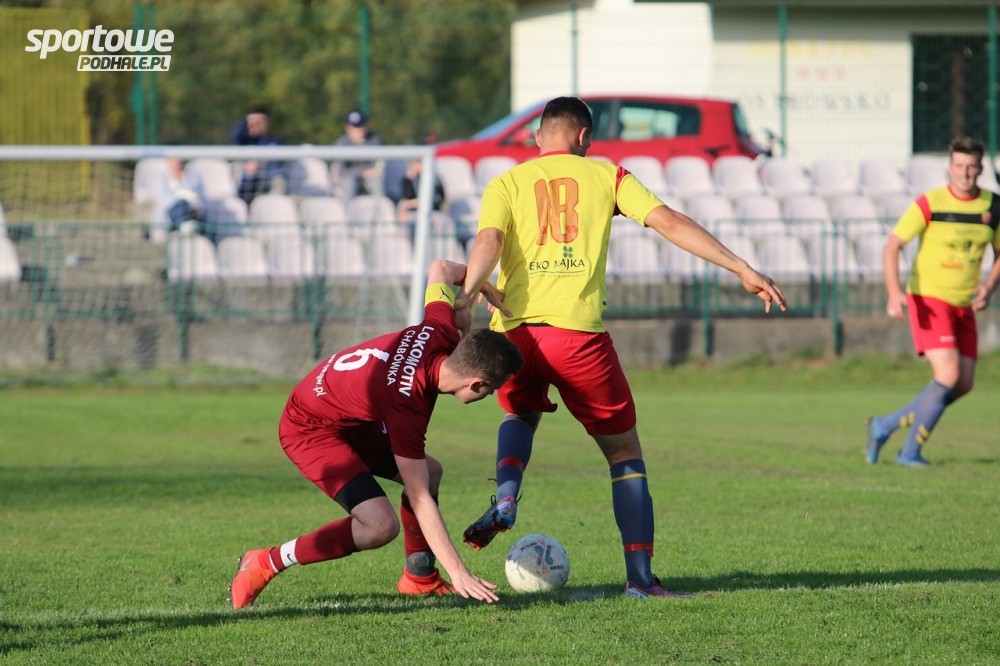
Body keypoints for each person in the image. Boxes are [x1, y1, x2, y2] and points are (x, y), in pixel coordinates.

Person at [456, 96, 787, 599]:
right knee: (625, 455)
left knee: (520, 414)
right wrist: (742, 267)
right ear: (584, 137)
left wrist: (469, 292)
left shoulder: (506, 182)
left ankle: (506, 496)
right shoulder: (607, 175)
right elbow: (668, 221)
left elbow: (488, 241)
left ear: (539, 138)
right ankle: (639, 578)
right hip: (577, 336)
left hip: (515, 333)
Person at [229, 259, 523, 608]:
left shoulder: (439, 329)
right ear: (477, 383)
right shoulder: (407, 405)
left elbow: (442, 268)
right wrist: (459, 572)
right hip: (310, 429)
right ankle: (267, 561)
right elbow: (420, 499)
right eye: (491, 390)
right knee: (380, 525)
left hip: (349, 417)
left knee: (430, 472)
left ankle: (419, 577)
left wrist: (480, 285)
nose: (488, 396)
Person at [866, 137, 1000, 467]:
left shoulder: (993, 206)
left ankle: (884, 426)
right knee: (949, 374)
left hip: (964, 303)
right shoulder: (931, 202)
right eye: (959, 166)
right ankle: (909, 453)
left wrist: (989, 286)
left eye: (971, 167)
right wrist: (894, 293)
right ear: (950, 167)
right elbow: (892, 245)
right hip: (929, 298)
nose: (965, 173)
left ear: (980, 169)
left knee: (963, 383)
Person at [229, 104, 283, 204]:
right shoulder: (244, 140)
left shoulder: (273, 141)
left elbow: (276, 164)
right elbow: (234, 136)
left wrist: (259, 165)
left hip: (267, 184)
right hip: (245, 187)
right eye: (253, 122)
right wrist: (247, 120)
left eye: (260, 122)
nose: (256, 125)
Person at [334, 109, 384, 199]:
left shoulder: (375, 140)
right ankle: (347, 208)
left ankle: (379, 207)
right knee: (349, 182)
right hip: (351, 179)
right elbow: (342, 171)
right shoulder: (342, 143)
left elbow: (376, 168)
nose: (360, 130)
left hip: (369, 180)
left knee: (377, 182)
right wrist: (361, 172)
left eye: (361, 125)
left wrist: (355, 171)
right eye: (356, 127)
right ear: (348, 128)